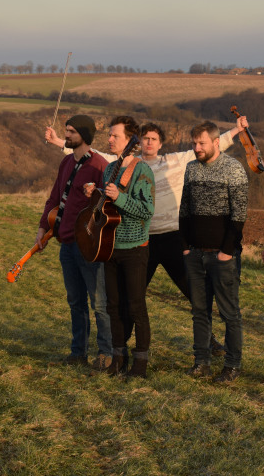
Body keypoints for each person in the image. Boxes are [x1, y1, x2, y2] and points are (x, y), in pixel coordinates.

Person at [48, 117, 248, 355]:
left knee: (194, 293)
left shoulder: (176, 161)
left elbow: (211, 145)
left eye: (154, 139)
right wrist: (60, 141)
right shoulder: (124, 163)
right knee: (132, 296)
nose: (149, 143)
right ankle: (122, 343)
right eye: (145, 139)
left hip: (172, 239)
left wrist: (236, 129)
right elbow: (92, 153)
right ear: (138, 142)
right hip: (142, 241)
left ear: (161, 143)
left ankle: (210, 340)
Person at [36, 114, 111, 369]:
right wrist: (43, 226)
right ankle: (78, 352)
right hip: (66, 244)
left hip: (89, 246)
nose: (66, 135)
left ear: (85, 136)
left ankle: (105, 353)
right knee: (75, 301)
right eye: (66, 131)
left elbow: (106, 206)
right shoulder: (67, 162)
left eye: (71, 132)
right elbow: (54, 197)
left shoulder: (100, 165)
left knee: (99, 302)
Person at [83, 116, 155, 378]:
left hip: (135, 248)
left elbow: (147, 211)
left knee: (135, 306)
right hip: (109, 246)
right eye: (110, 135)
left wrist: (120, 197)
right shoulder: (110, 168)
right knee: (113, 306)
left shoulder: (141, 170)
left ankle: (140, 363)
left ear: (130, 141)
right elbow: (109, 205)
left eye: (115, 136)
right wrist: (98, 193)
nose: (110, 139)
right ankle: (117, 359)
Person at [179, 121, 248, 383]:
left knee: (229, 313)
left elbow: (239, 214)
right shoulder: (191, 169)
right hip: (195, 255)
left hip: (222, 257)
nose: (196, 148)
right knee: (199, 311)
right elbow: (184, 210)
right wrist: (185, 247)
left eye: (202, 143)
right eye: (194, 143)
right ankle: (201, 362)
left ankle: (232, 365)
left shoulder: (234, 169)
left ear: (216, 142)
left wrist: (226, 252)